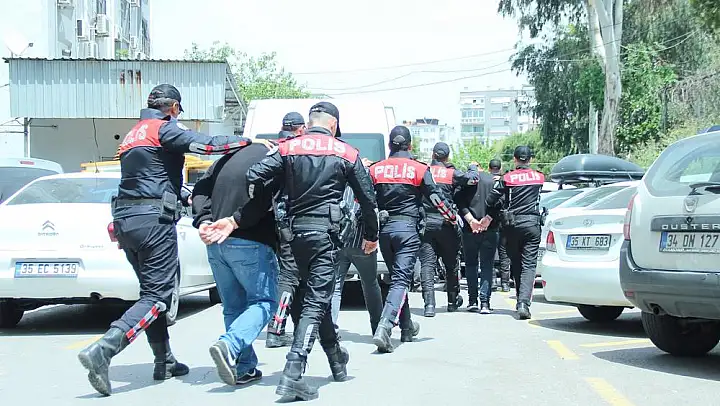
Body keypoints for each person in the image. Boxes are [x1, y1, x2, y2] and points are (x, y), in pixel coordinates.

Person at [77, 84, 255, 396]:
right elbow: (208, 146)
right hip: (152, 221)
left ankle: (165, 360)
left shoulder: (133, 135)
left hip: (126, 221)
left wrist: (184, 196)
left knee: (150, 293)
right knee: (158, 295)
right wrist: (247, 142)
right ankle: (103, 350)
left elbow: (151, 178)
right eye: (178, 111)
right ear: (172, 107)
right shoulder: (163, 128)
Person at [246, 102, 379, 401]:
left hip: (293, 236)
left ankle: (336, 359)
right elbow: (368, 199)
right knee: (316, 302)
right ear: (334, 125)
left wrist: (278, 203)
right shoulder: (347, 153)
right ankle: (293, 372)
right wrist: (371, 237)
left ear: (309, 123)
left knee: (312, 297)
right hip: (326, 237)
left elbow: (253, 175)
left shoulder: (287, 148)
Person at [190, 140, 280, 386]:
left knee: (233, 307)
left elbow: (200, 189)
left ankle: (244, 367)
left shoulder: (224, 160)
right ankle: (229, 345)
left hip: (216, 242)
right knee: (264, 302)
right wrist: (236, 220)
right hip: (250, 241)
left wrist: (203, 220)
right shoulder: (270, 158)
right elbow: (264, 197)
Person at [369, 126, 458, 353]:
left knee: (396, 279)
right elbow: (436, 199)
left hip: (385, 230)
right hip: (408, 230)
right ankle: (385, 326)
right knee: (400, 281)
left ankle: (407, 327)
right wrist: (451, 218)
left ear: (389, 145)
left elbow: (364, 200)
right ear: (409, 145)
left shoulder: (376, 169)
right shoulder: (418, 168)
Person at [418, 142, 479, 317]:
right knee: (451, 263)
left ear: (433, 155)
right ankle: (452, 301)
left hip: (426, 223)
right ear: (447, 157)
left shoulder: (422, 171)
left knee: (427, 265)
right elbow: (473, 179)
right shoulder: (451, 173)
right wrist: (473, 167)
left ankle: (429, 305)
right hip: (447, 222)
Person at [486, 146, 544, 320]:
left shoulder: (507, 178)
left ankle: (520, 299)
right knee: (529, 265)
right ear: (531, 159)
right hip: (532, 224)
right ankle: (523, 303)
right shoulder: (539, 177)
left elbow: (490, 199)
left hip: (511, 225)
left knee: (516, 263)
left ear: (514, 159)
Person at [266, 112, 307, 349]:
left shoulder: (271, 147)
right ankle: (276, 328)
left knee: (292, 274)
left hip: (270, 221)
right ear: (301, 129)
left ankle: (299, 325)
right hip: (290, 219)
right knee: (291, 275)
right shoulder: (296, 149)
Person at [330, 180, 384, 336]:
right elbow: (370, 211)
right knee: (370, 284)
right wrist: (372, 237)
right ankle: (378, 328)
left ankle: (331, 329)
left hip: (339, 241)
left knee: (335, 286)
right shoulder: (364, 185)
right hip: (362, 243)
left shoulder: (336, 183)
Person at [456, 159, 502, 314]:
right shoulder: (492, 180)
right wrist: (488, 219)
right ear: (482, 167)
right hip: (490, 228)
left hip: (470, 229)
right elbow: (500, 201)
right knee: (487, 265)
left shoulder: (466, 181)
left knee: (471, 265)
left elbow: (458, 201)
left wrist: (471, 220)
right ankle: (485, 303)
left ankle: (472, 301)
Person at [489, 159, 511, 292]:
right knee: (504, 253)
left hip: (490, 220)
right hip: (504, 220)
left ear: (489, 168)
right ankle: (505, 283)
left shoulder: (486, 181)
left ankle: (492, 280)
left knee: (490, 252)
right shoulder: (506, 180)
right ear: (500, 168)